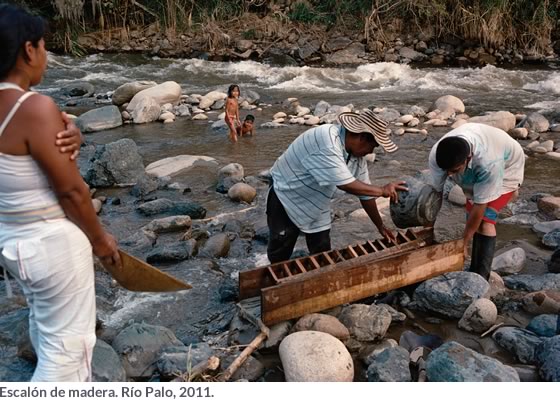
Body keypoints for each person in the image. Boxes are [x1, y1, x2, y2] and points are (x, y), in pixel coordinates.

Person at [0, 5, 121, 381]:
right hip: (52, 246)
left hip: (14, 242)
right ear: (28, 50)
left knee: (44, 328)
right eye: (43, 46)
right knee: (68, 358)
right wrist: (101, 242)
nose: (46, 56)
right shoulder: (34, 107)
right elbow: (71, 191)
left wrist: (74, 137)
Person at [266, 108, 407, 263]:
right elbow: (345, 184)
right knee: (280, 253)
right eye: (372, 147)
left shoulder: (356, 157)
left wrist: (380, 226)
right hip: (287, 197)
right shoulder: (327, 139)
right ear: (362, 137)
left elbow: (365, 194)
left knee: (322, 250)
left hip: (317, 200)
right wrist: (382, 190)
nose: (370, 152)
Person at [428, 122, 525, 280]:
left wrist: (463, 243)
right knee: (472, 218)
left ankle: (481, 276)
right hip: (474, 168)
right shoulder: (437, 156)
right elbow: (435, 195)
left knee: (485, 220)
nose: (450, 176)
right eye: (446, 171)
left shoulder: (489, 163)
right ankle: (473, 268)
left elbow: (481, 205)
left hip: (507, 167)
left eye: (454, 171)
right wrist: (429, 230)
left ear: (468, 158)